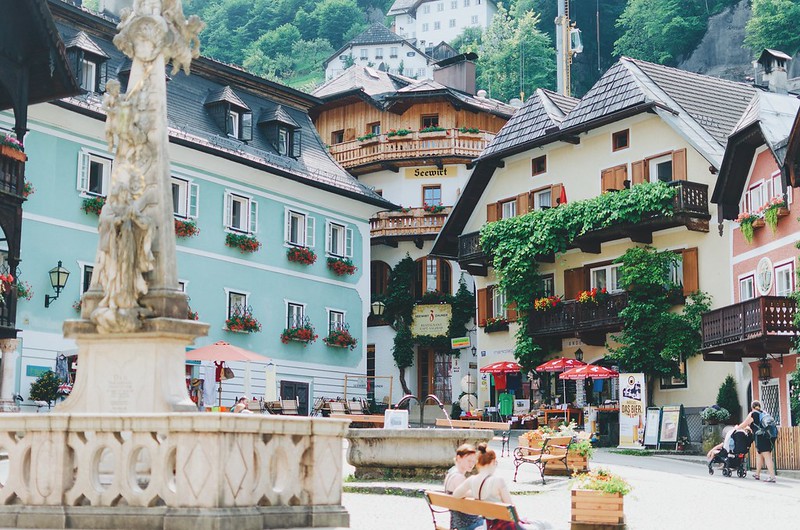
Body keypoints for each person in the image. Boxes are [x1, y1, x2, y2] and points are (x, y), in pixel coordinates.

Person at [451, 443, 549, 530]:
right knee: (545, 524)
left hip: (490, 526)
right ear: (493, 462)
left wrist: (475, 494)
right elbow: (511, 510)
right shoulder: (498, 481)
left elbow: (456, 495)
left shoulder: (471, 480)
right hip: (506, 527)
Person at [444, 444, 483, 530]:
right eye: (469, 461)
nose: (472, 464)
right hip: (467, 525)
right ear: (458, 458)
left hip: (456, 524)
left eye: (473, 462)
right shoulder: (459, 477)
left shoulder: (450, 473)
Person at [737, 400, 776, 482]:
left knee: (767, 456)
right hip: (767, 437)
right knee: (759, 455)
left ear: (752, 407)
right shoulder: (763, 413)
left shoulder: (753, 414)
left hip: (761, 437)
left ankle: (772, 477)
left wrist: (736, 428)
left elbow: (744, 424)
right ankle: (757, 474)